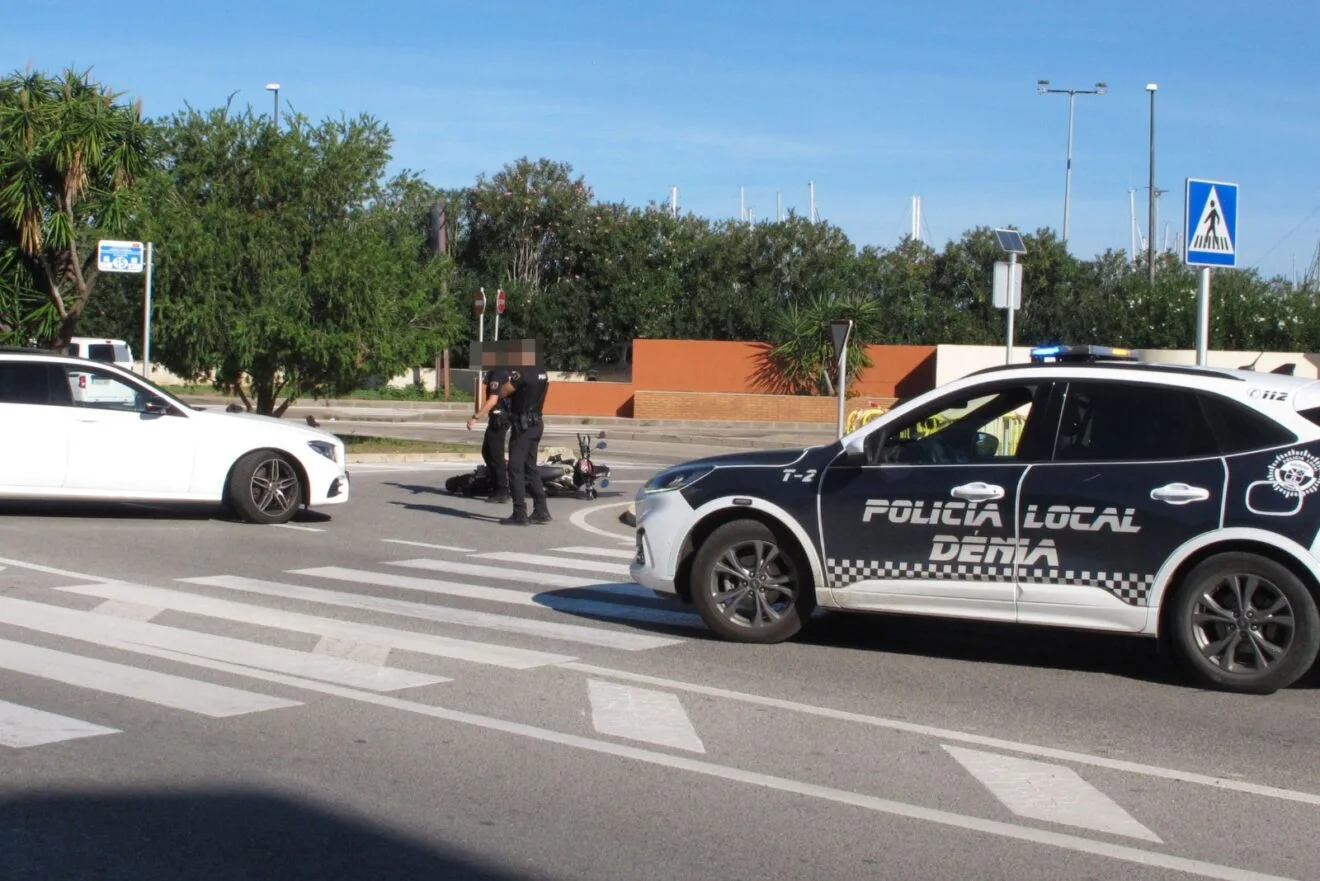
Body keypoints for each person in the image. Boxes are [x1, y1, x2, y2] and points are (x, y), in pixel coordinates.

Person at [499, 365, 551, 525]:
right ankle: (541, 509)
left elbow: (504, 391)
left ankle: (519, 513)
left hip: (523, 425)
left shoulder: (521, 374)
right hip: (537, 423)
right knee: (530, 466)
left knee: (515, 468)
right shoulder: (542, 372)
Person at [466, 368, 513, 503]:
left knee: (494, 453)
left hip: (500, 417)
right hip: (499, 416)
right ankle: (495, 483)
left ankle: (502, 490)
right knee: (487, 451)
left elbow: (493, 400)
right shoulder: (501, 371)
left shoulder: (498, 373)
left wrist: (475, 417)